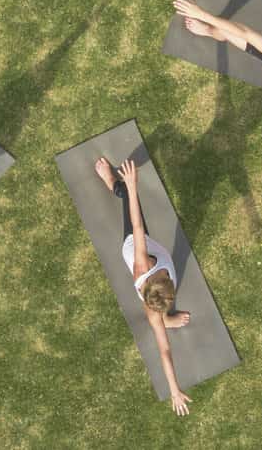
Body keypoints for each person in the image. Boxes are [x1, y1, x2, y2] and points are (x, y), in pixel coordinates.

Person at [93, 157, 192, 416]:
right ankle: (112, 182)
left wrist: (134, 185)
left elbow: (138, 226)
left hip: (137, 241)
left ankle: (121, 187)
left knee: (131, 196)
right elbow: (164, 350)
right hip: (134, 245)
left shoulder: (146, 264)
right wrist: (174, 391)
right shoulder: (142, 264)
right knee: (126, 194)